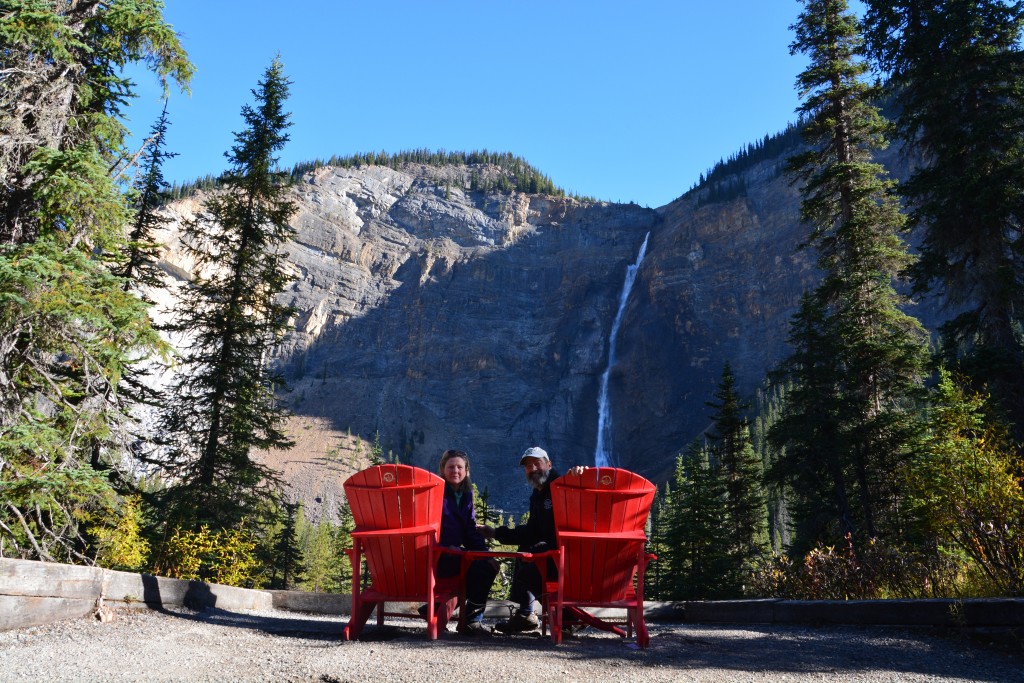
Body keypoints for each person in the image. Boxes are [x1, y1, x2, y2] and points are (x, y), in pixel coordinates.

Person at [480, 446, 585, 634]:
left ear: (549, 464)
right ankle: (527, 614)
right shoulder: (538, 493)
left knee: (528, 569)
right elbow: (531, 531)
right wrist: (496, 533)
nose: (533, 468)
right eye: (528, 466)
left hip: (571, 556)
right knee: (526, 550)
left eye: (537, 463)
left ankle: (568, 617)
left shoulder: (564, 485)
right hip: (554, 553)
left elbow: (586, 493)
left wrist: (580, 476)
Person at [433, 449, 499, 636]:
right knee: (481, 570)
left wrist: (486, 555)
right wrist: (445, 546)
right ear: (443, 469)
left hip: (457, 554)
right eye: (451, 466)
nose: (455, 470)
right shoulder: (436, 491)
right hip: (437, 554)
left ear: (466, 470)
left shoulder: (466, 494)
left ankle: (444, 609)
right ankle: (471, 622)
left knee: (490, 565)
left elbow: (471, 530)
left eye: (459, 467)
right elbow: (430, 525)